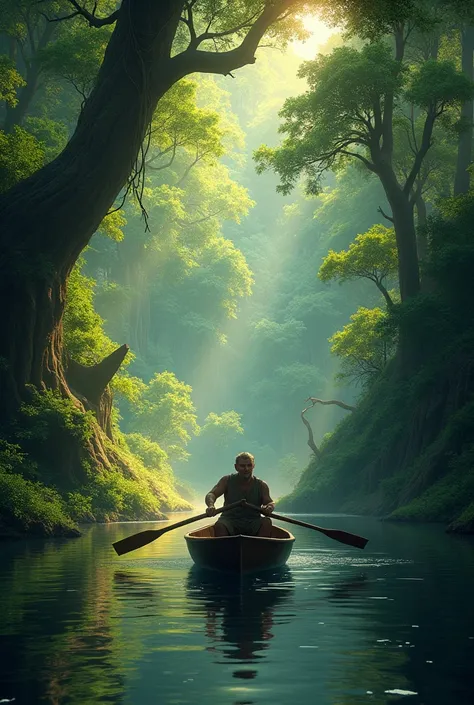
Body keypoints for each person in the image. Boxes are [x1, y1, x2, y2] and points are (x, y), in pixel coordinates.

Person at [204, 452, 275, 537]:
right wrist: (211, 505)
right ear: (236, 467)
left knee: (267, 522)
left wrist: (269, 507)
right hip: (229, 521)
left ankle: (259, 548)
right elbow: (211, 494)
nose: (246, 469)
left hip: (253, 521)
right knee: (219, 526)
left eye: (249, 465)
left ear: (253, 466)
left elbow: (269, 502)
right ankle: (224, 548)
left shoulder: (262, 485)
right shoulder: (226, 480)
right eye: (242, 466)